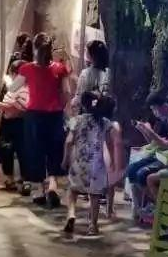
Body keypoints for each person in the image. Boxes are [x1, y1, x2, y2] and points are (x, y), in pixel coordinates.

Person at [11, 32, 70, 207]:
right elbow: (67, 92)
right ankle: (52, 186)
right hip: (54, 116)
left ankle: (39, 190)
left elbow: (13, 88)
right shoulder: (60, 68)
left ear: (35, 49)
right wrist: (60, 107)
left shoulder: (26, 69)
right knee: (54, 151)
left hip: (34, 116)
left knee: (35, 152)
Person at [62, 92, 117, 236]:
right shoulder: (105, 122)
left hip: (79, 162)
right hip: (97, 164)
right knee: (95, 195)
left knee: (73, 189)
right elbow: (109, 143)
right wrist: (112, 160)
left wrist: (65, 159)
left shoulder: (76, 120)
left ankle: (71, 214)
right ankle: (93, 225)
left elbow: (69, 142)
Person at [0, 59, 30, 194]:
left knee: (22, 151)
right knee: (6, 150)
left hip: (19, 123)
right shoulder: (13, 87)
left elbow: (22, 107)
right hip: (8, 123)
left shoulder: (25, 88)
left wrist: (4, 105)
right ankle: (10, 180)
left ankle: (24, 181)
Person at [71, 40, 110, 110]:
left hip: (89, 113)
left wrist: (73, 102)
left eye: (86, 51)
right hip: (106, 112)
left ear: (91, 55)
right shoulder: (108, 72)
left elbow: (79, 98)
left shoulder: (85, 73)